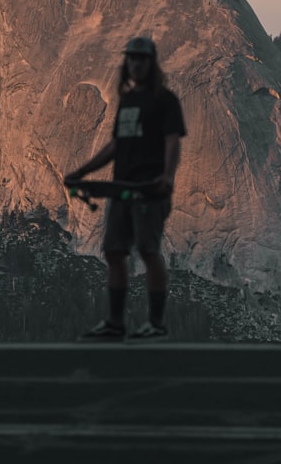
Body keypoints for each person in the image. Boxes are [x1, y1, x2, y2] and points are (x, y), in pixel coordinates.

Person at [64, 36, 186, 341]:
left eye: (141, 59)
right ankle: (115, 323)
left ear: (151, 63)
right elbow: (115, 146)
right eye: (131, 58)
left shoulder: (165, 100)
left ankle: (155, 323)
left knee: (148, 250)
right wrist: (83, 171)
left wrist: (168, 176)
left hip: (150, 188)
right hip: (121, 188)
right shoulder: (128, 103)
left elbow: (173, 141)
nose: (136, 63)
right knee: (114, 252)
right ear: (127, 63)